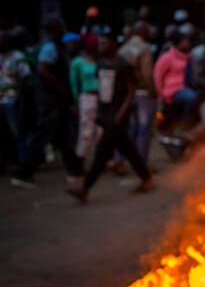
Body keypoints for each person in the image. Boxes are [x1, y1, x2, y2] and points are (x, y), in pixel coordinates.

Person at [66, 27, 154, 203]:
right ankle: (147, 179)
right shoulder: (101, 63)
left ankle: (85, 189)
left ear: (113, 44)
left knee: (101, 152)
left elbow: (131, 93)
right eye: (99, 42)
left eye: (104, 42)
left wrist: (120, 116)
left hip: (117, 118)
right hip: (106, 116)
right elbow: (102, 89)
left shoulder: (123, 66)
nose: (100, 46)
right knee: (128, 149)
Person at [12, 16, 85, 188]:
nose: (63, 29)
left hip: (55, 100)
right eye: (60, 26)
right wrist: (62, 88)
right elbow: (43, 70)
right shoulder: (49, 46)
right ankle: (23, 173)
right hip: (50, 100)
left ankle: (76, 172)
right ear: (54, 27)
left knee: (64, 135)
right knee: (43, 136)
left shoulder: (52, 45)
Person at [0, 30, 31, 174]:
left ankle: (24, 165)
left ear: (6, 40)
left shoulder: (18, 57)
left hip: (12, 99)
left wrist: (19, 96)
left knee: (18, 134)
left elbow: (25, 77)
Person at [119, 21, 157, 163]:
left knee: (129, 128)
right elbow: (147, 74)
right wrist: (153, 91)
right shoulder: (145, 48)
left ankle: (119, 159)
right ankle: (141, 163)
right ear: (143, 32)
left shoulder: (123, 48)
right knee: (144, 129)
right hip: (142, 94)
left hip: (126, 94)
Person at [154, 31, 199, 127]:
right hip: (173, 90)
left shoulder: (190, 58)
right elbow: (158, 77)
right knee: (191, 97)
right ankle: (186, 126)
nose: (187, 44)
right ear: (178, 43)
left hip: (188, 87)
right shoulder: (167, 58)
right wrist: (161, 96)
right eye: (185, 42)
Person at [69, 34, 101, 161]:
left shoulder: (101, 60)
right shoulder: (78, 62)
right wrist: (76, 102)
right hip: (86, 98)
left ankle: (100, 159)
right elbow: (74, 83)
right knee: (86, 130)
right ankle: (80, 159)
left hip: (102, 99)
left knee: (101, 131)